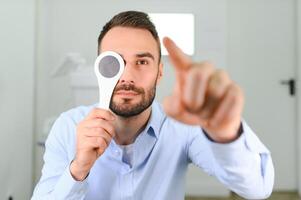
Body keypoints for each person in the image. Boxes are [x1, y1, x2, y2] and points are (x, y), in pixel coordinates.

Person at [32, 10, 274, 200]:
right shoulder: (67, 127)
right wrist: (78, 170)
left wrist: (226, 136)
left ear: (159, 72)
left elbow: (257, 188)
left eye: (142, 61)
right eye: (115, 62)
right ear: (100, 69)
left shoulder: (183, 127)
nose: (127, 76)